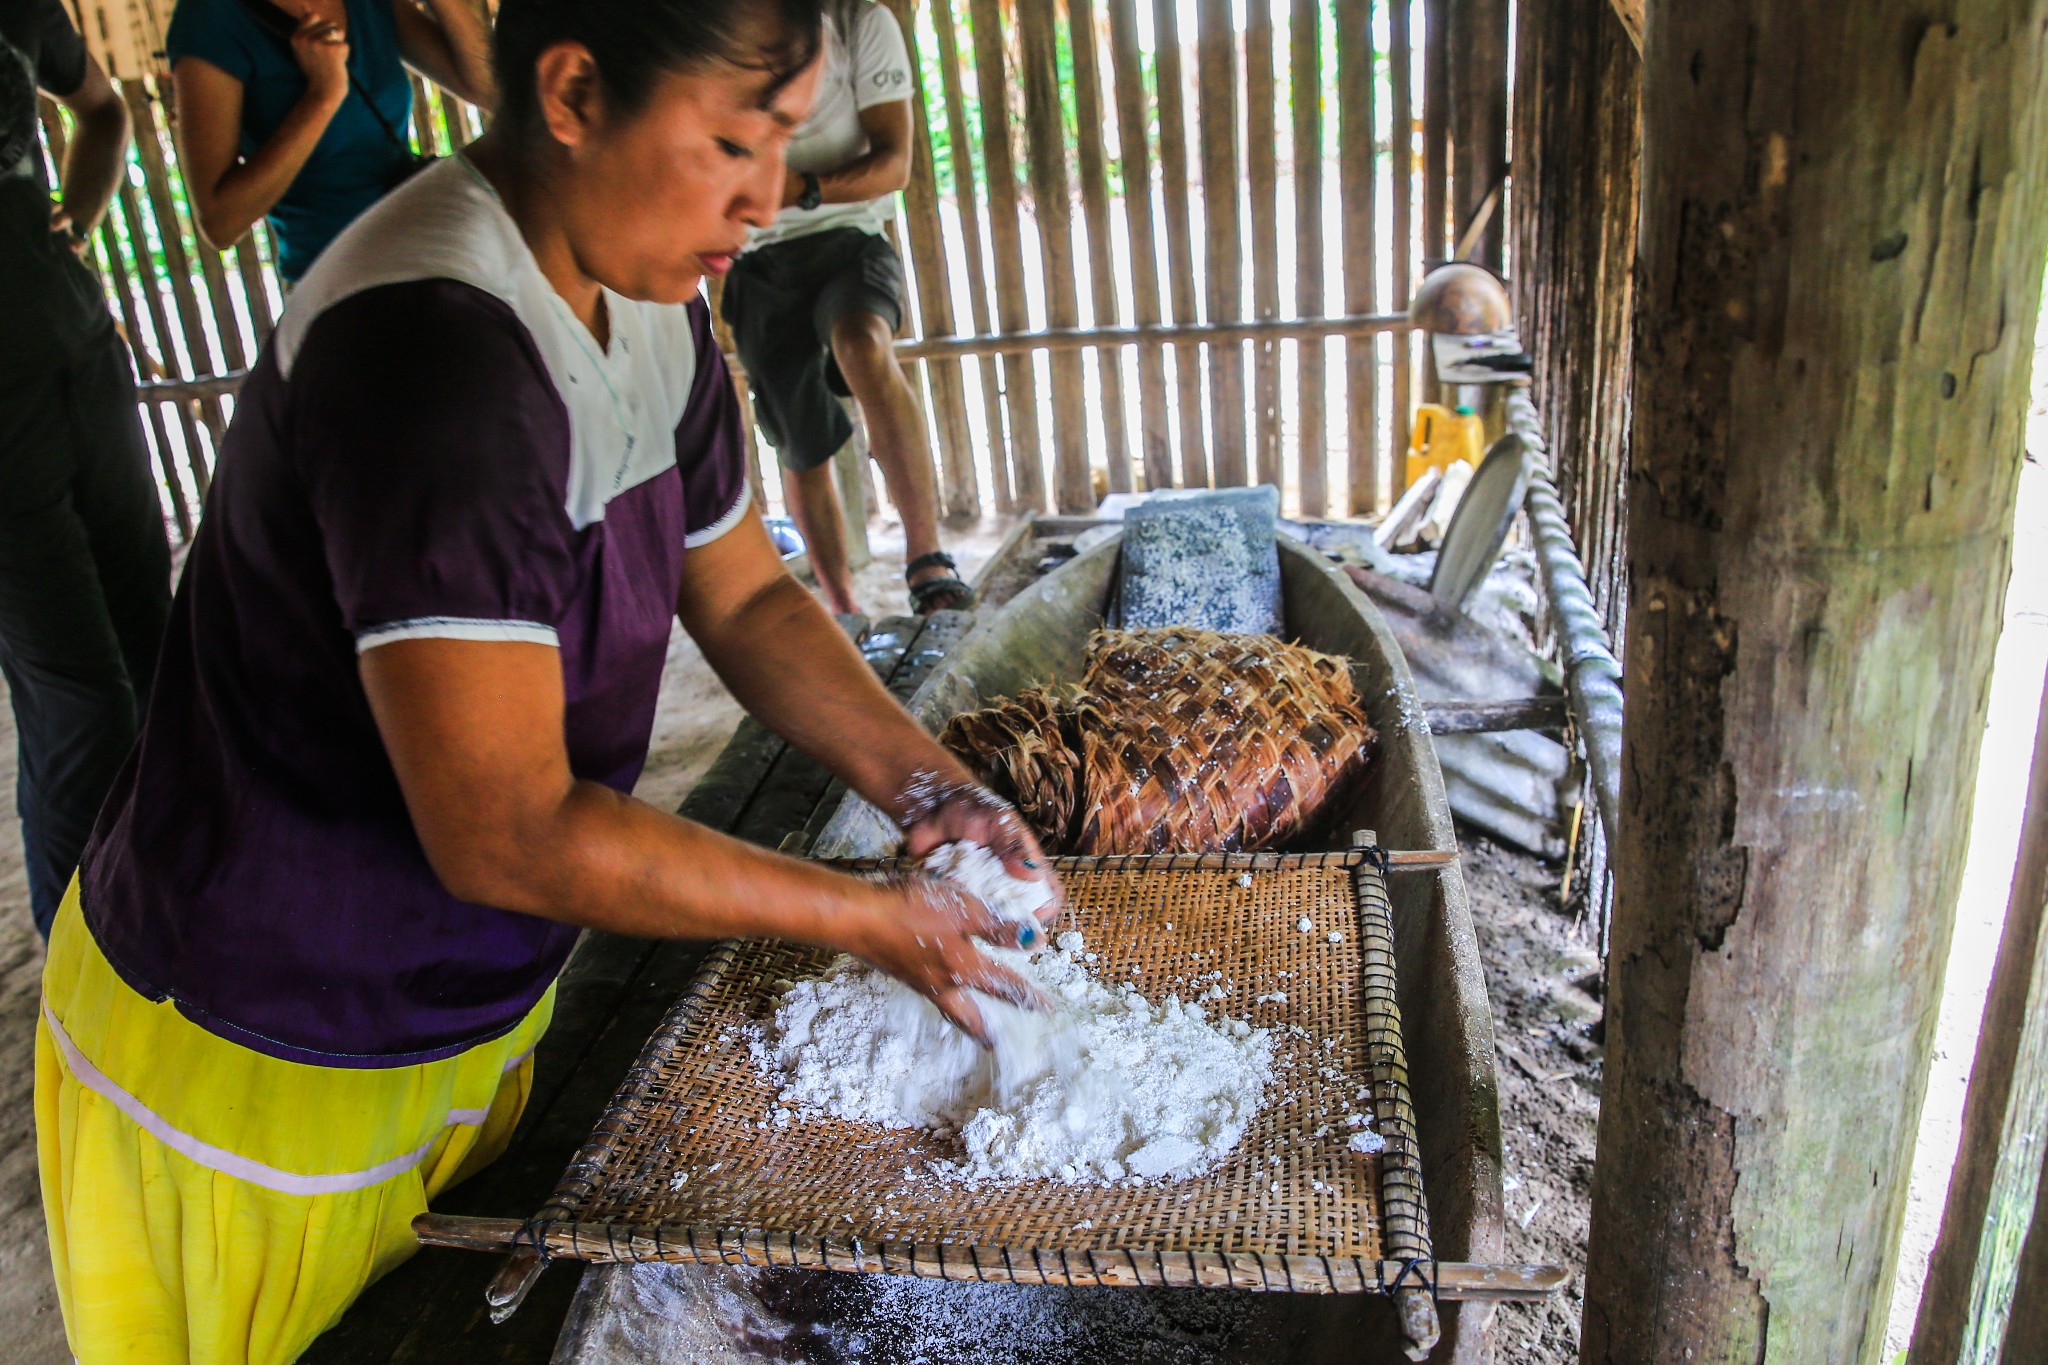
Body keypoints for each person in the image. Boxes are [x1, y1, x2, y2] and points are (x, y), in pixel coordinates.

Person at [36, 1, 1057, 1360]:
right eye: (736, 141)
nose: (771, 193)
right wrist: (869, 916)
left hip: (456, 1011)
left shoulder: (650, 303)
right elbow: (507, 827)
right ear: (574, 91)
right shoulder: (437, 355)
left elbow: (746, 594)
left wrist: (930, 786)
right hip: (267, 1042)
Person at [0, 0, 172, 939]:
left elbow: (102, 109)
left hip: (81, 359)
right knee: (80, 701)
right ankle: (86, 959)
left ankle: (168, 900)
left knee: (154, 650)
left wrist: (79, 221)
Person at [721, 0, 971, 616]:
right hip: (755, 258)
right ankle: (842, 609)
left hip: (850, 239)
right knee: (799, 438)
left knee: (861, 343)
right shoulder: (709, 28)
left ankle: (927, 560)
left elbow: (894, 165)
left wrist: (800, 189)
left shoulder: (861, 22)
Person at [168, 0, 496, 283]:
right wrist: (322, 96)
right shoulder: (210, 20)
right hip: (340, 284)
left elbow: (490, 90)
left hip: (428, 255)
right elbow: (221, 222)